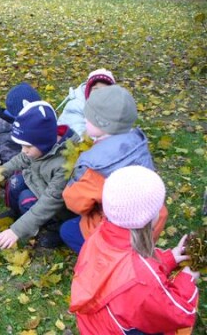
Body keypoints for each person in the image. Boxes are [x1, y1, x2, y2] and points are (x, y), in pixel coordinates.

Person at [70, 166, 199, 334]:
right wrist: (188, 278)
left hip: (95, 324)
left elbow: (126, 269)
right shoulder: (141, 278)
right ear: (152, 217)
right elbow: (179, 313)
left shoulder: (99, 236)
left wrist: (170, 258)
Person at [60, 85, 168, 253]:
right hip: (149, 224)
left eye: (88, 118)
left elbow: (75, 203)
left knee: (67, 229)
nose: (85, 120)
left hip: (115, 234)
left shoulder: (94, 163)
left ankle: (101, 258)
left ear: (101, 123)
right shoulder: (138, 143)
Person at [0, 101, 79, 250]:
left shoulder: (66, 163)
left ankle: (54, 228)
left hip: (59, 207)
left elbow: (51, 201)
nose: (23, 150)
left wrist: (17, 230)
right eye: (22, 145)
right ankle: (18, 214)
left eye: (27, 146)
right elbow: (21, 159)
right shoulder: (39, 146)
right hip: (40, 182)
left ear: (44, 143)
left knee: (25, 198)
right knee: (15, 182)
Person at [57, 68, 116, 137]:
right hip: (70, 144)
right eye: (96, 89)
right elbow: (79, 136)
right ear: (88, 90)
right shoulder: (76, 106)